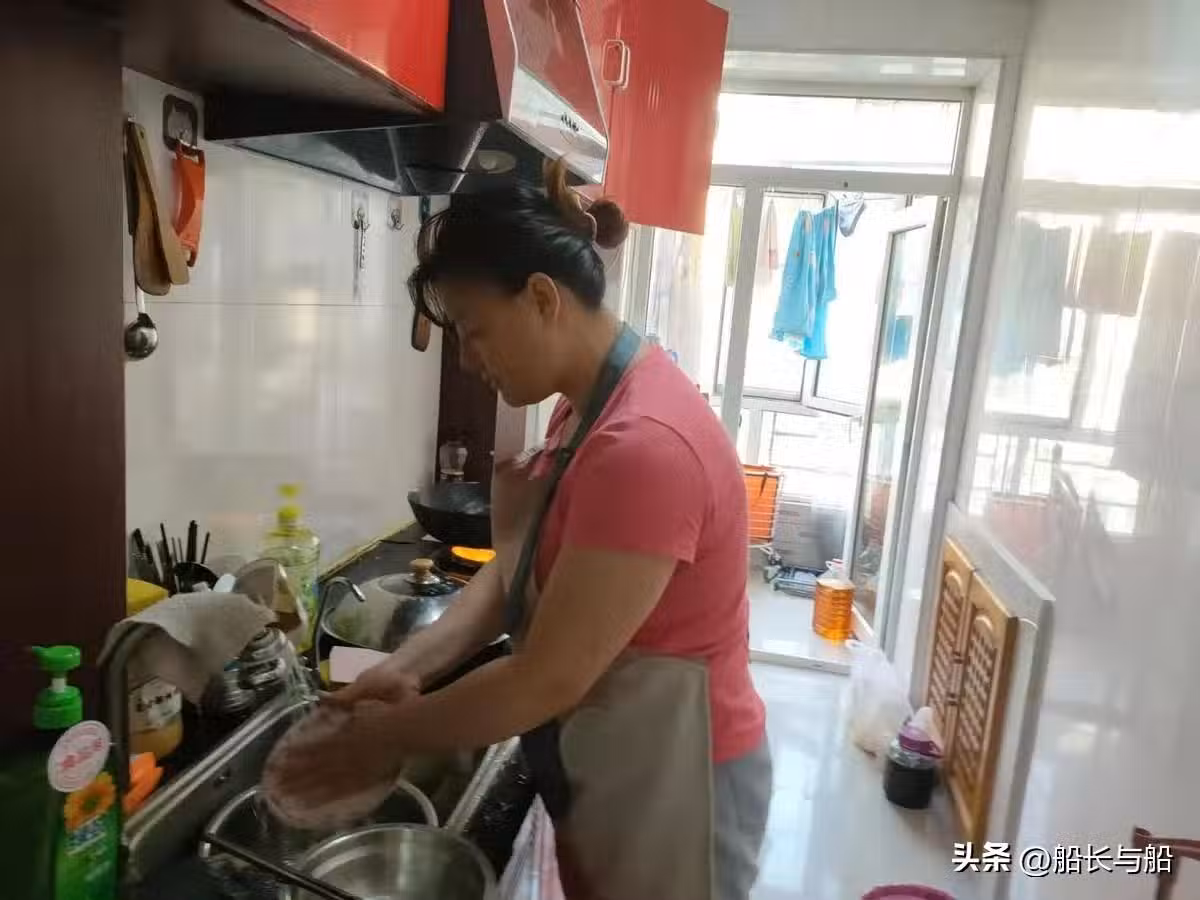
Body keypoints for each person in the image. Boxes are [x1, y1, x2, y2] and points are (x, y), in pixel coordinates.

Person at [268, 161, 772, 900]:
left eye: (476, 333)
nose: (469, 361)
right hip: (625, 751)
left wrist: (384, 736)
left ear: (541, 298)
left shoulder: (644, 448)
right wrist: (409, 666)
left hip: (682, 782)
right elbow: (515, 572)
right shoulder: (586, 406)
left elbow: (547, 677)